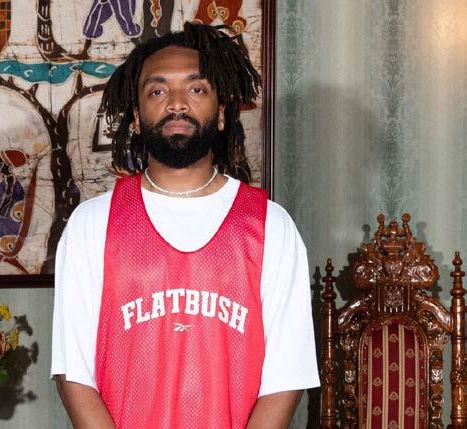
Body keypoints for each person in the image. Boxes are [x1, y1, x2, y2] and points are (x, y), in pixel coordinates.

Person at [51, 22, 319, 428]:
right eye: (158, 91)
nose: (177, 103)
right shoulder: (92, 223)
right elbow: (75, 372)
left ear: (222, 112)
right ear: (136, 117)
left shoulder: (270, 225)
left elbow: (286, 376)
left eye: (196, 89)